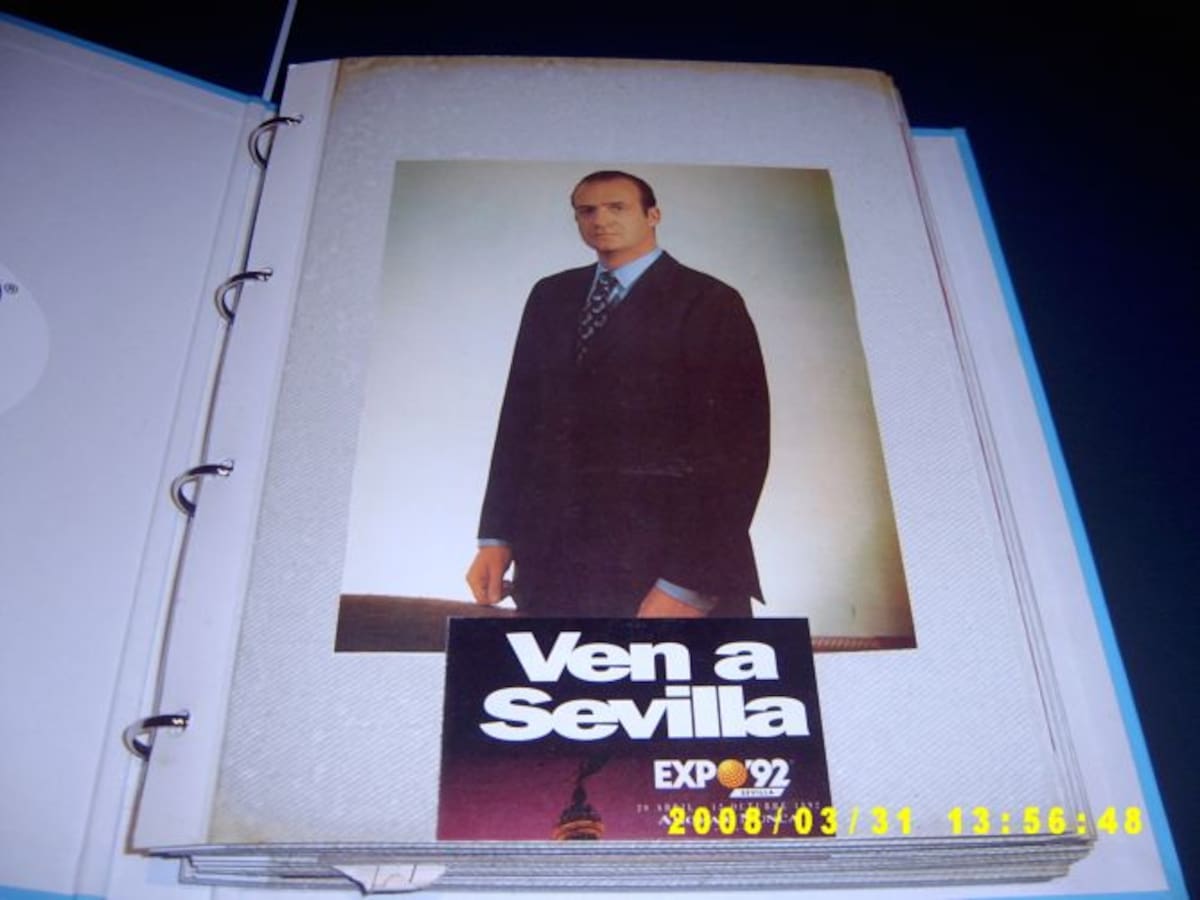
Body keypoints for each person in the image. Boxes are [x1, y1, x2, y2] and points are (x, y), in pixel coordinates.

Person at [465, 170, 769, 618]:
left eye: (617, 207)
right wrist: (496, 536)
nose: (600, 220)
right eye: (586, 211)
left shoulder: (710, 301)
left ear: (653, 215)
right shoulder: (551, 296)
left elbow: (739, 451)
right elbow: (519, 422)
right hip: (553, 563)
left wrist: (689, 584)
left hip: (665, 566)